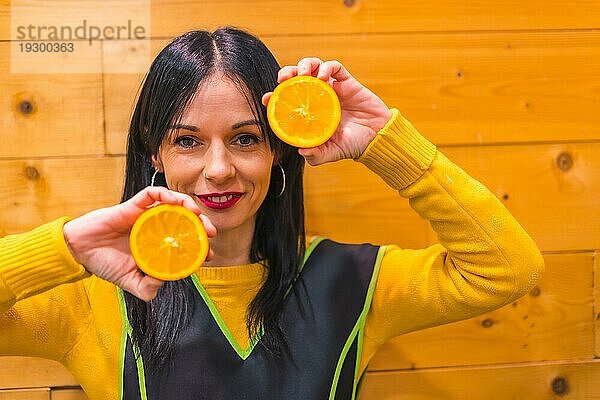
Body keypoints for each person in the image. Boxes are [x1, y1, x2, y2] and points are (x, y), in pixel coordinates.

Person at [0, 27, 544, 400]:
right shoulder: (90, 298)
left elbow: (508, 268)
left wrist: (384, 143)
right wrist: (68, 246)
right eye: (187, 140)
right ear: (154, 153)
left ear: (278, 148)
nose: (217, 170)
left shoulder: (354, 283)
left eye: (244, 138)